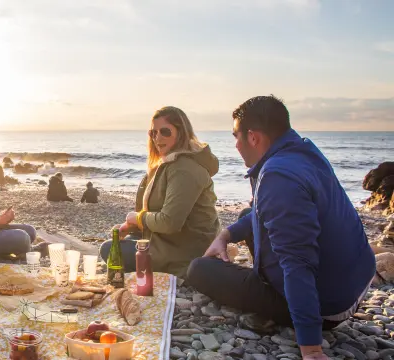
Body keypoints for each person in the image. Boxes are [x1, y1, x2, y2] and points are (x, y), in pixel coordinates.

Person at [186, 95, 376, 360]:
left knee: (199, 269)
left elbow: (298, 263)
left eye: (236, 137)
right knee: (245, 215)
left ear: (253, 137)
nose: (236, 145)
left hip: (328, 307)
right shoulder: (301, 151)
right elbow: (263, 213)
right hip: (354, 284)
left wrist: (310, 347)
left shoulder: (278, 176)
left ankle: (290, 308)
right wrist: (226, 235)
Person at [100, 106, 220, 277]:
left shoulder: (184, 169)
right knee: (118, 242)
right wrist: (131, 226)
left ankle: (167, 271)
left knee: (108, 249)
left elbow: (170, 222)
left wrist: (137, 217)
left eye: (165, 132)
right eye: (153, 133)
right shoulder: (169, 164)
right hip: (169, 242)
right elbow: (158, 214)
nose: (158, 138)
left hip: (186, 253)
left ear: (181, 132)